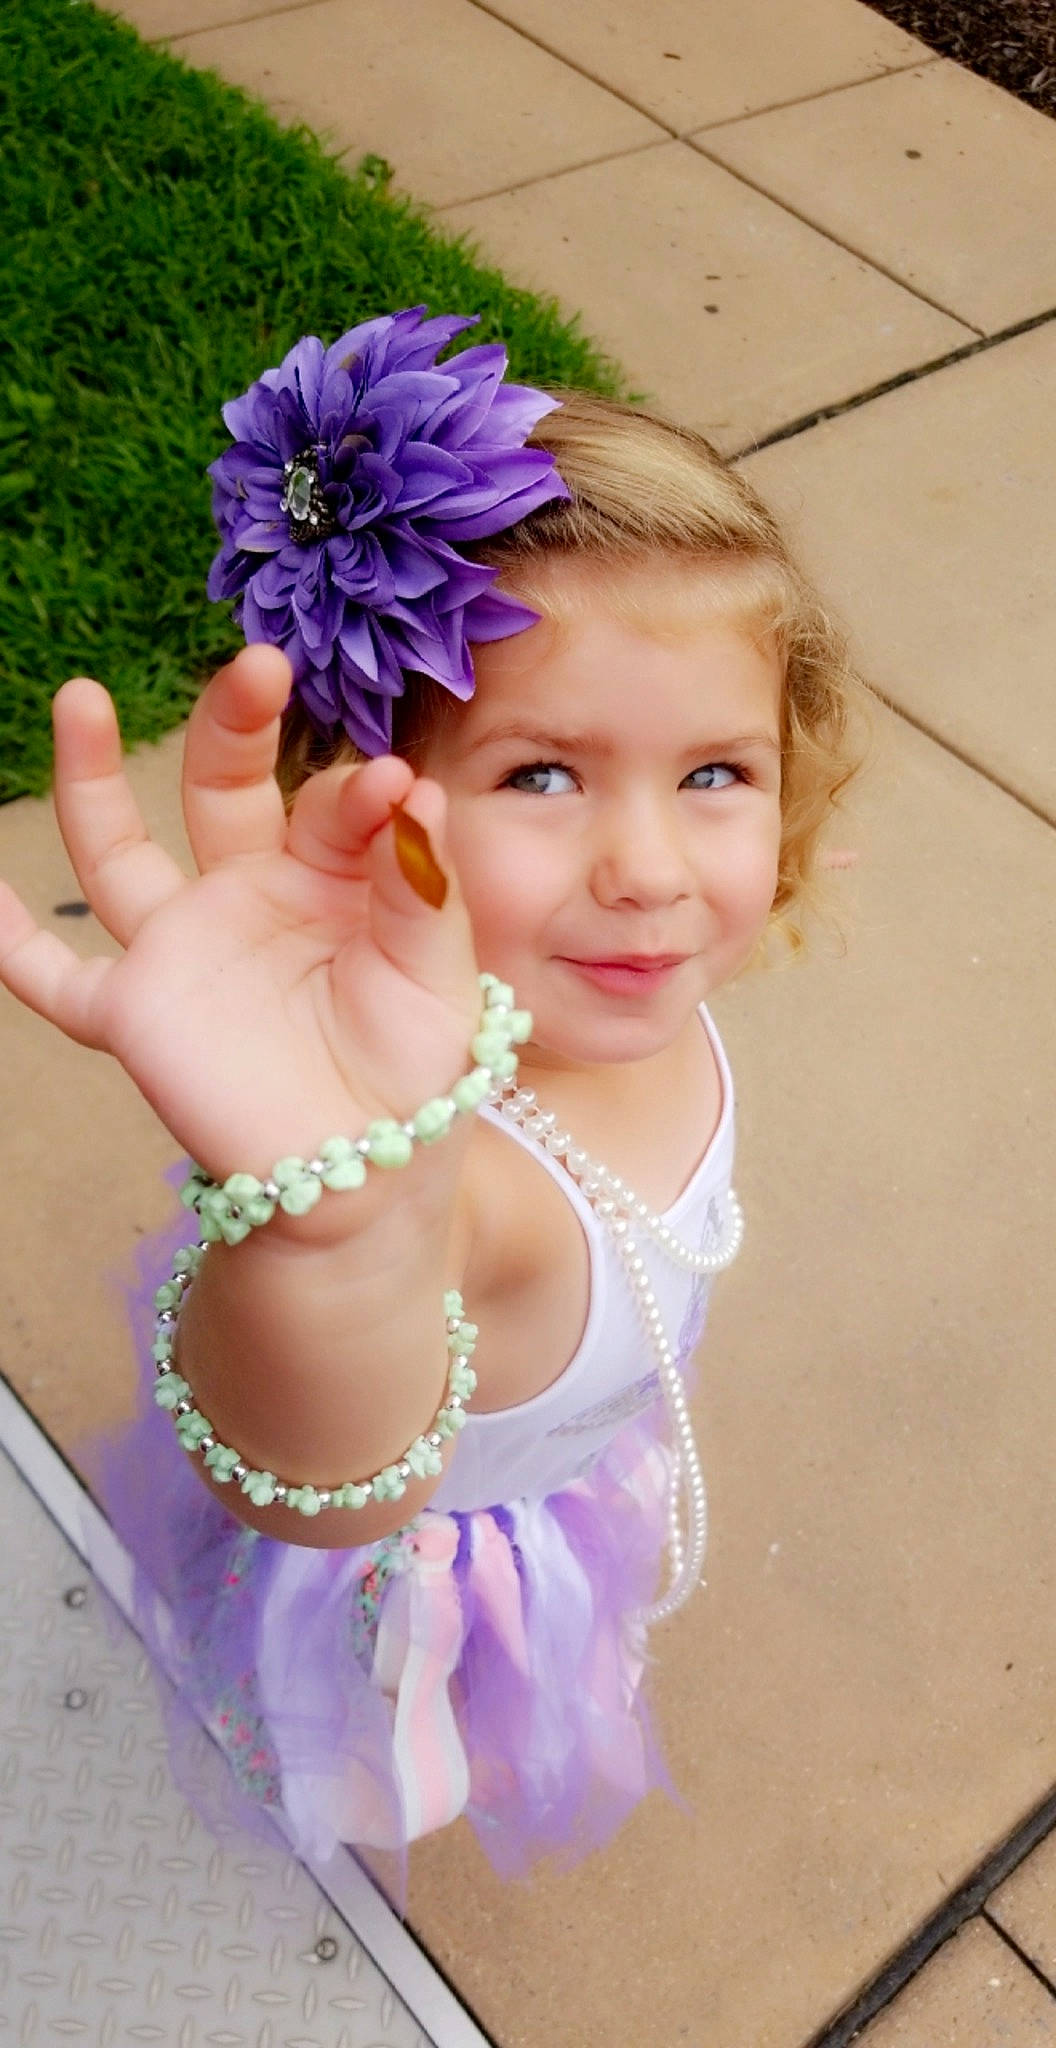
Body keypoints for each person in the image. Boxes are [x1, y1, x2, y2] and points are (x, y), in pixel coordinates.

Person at [0, 308, 861, 1882]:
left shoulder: (625, 1003)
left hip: (570, 1464)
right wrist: (339, 1239)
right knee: (376, 1754)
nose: (653, 871)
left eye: (716, 775)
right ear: (372, 788)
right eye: (542, 774)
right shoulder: (449, 1170)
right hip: (420, 1565)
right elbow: (326, 1489)